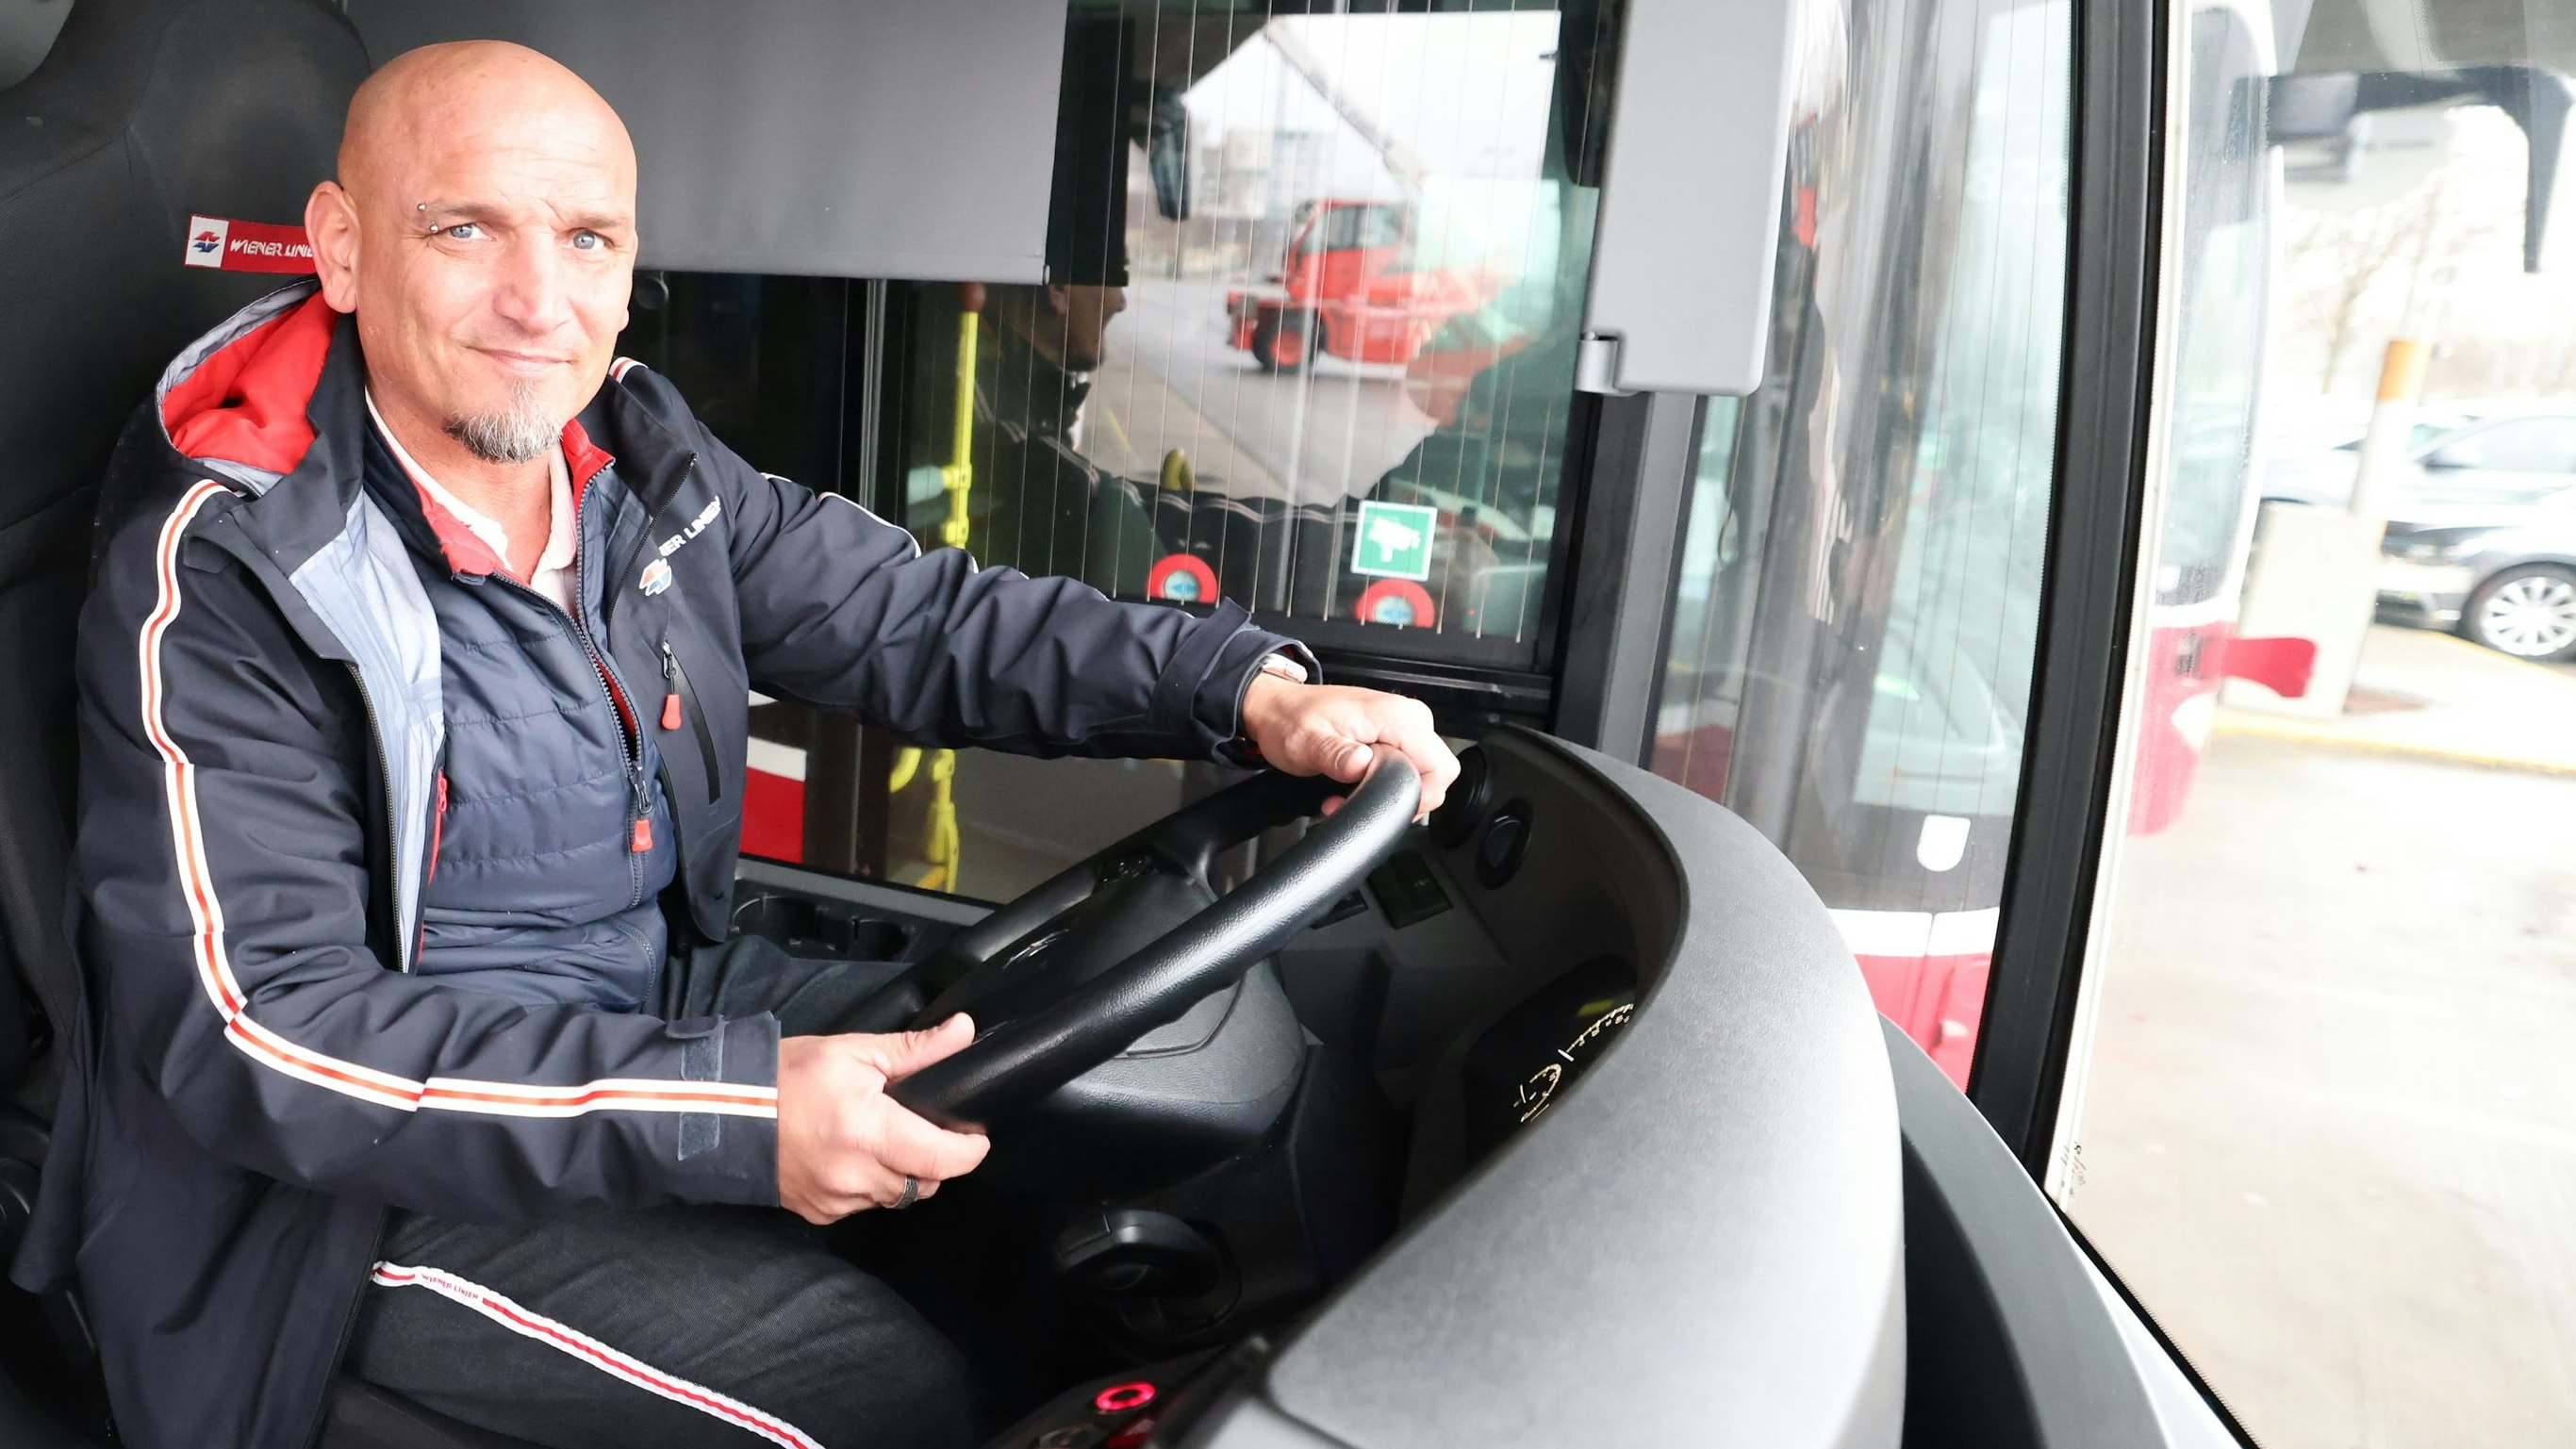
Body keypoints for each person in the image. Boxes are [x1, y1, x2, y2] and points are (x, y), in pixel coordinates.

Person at [9, 41, 1457, 1449]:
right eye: (466, 228)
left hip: (650, 1004)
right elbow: (262, 1032)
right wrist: (734, 1110)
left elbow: (921, 619)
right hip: (329, 1211)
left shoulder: (640, 463)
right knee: (875, 1396)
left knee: (1063, 1132)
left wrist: (1245, 689)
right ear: (339, 248)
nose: (539, 299)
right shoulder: (234, 564)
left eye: (588, 240)